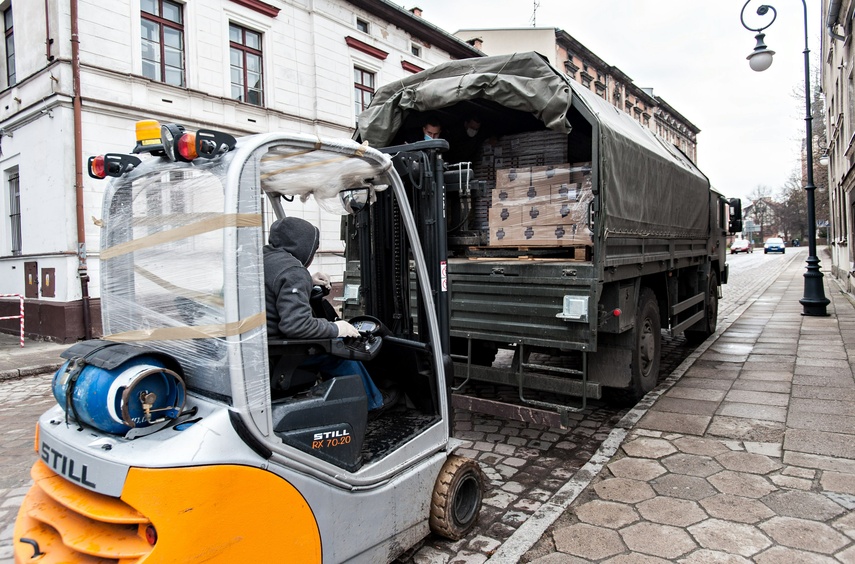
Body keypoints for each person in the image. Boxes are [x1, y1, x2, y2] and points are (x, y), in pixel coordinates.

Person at [264, 216, 386, 411]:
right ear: (304, 247)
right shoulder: (294, 271)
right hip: (280, 352)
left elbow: (273, 286)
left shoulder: (263, 259)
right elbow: (296, 325)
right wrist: (337, 328)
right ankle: (373, 404)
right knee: (338, 352)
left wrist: (309, 281)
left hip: (260, 348)